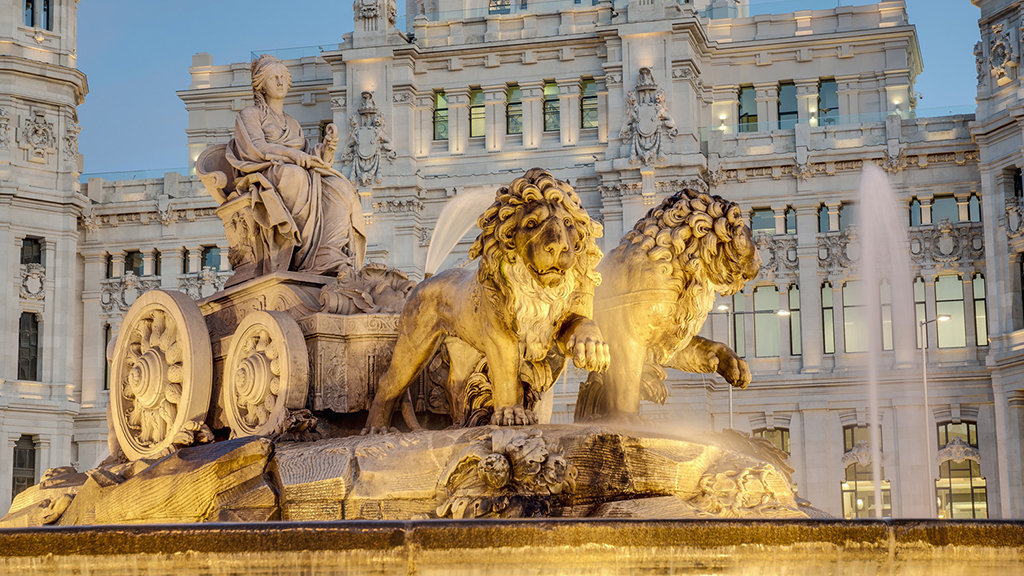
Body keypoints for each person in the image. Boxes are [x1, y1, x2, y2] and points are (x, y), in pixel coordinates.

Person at [226, 54, 366, 276]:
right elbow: (256, 149)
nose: (280, 82)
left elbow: (309, 157)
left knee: (341, 187)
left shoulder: (292, 123)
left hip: (298, 173)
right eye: (274, 78)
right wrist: (291, 155)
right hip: (265, 174)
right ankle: (301, 257)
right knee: (295, 176)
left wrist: (326, 149)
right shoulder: (249, 115)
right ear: (261, 84)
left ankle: (328, 252)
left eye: (283, 77)